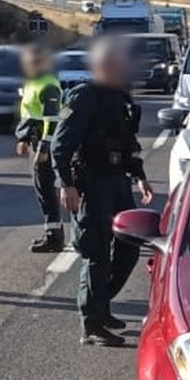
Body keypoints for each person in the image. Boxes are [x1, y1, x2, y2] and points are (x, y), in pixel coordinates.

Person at [52, 36, 155, 348]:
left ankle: (101, 305)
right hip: (93, 182)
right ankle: (92, 323)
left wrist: (139, 176)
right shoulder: (84, 96)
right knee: (96, 253)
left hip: (118, 181)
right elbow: (61, 144)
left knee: (129, 247)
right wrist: (66, 184)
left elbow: (129, 143)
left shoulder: (120, 97)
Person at [16, 43, 64, 253]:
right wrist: (23, 138)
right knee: (42, 190)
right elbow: (29, 115)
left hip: (45, 144)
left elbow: (52, 119)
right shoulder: (32, 82)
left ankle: (54, 237)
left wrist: (44, 148)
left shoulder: (48, 85)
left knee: (47, 190)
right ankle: (52, 233)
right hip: (34, 141)